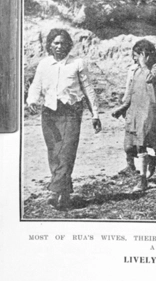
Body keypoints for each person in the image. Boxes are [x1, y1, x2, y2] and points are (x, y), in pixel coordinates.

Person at [25, 29, 102, 209]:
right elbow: (36, 86)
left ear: (69, 45)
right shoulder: (44, 64)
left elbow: (88, 89)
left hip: (71, 112)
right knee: (54, 152)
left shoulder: (78, 63)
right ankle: (64, 192)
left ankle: (56, 190)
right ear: (50, 45)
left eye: (63, 43)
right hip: (50, 113)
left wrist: (95, 114)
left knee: (66, 152)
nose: (59, 47)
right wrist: (31, 101)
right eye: (55, 43)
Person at [111, 39, 156, 193]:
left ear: (146, 55)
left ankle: (142, 181)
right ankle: (154, 159)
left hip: (148, 112)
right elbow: (131, 92)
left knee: (141, 145)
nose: (135, 59)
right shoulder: (136, 70)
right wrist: (122, 108)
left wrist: (143, 64)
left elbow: (150, 78)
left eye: (137, 56)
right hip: (134, 112)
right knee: (129, 147)